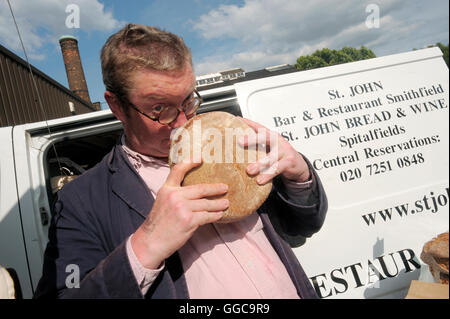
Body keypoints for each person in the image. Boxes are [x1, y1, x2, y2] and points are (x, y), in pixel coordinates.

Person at [34, 24, 327, 299]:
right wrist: (145, 246)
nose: (183, 122)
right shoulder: (80, 200)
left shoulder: (234, 145)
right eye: (159, 108)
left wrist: (300, 177)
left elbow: (303, 226)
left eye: (187, 100)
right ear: (117, 106)